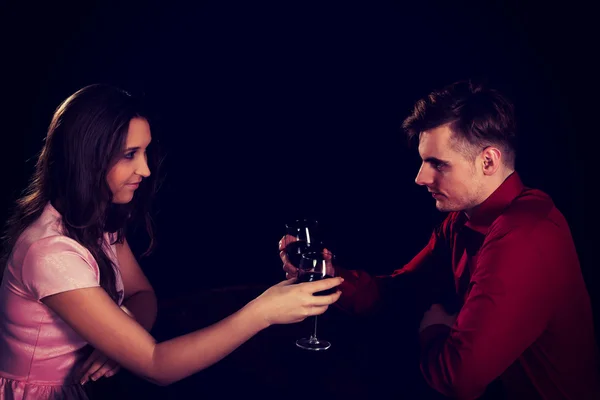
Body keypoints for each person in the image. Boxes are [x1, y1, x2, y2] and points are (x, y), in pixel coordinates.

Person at [0, 84, 343, 400]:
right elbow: (156, 366)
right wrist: (264, 311)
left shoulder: (94, 221)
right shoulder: (50, 253)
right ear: (86, 158)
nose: (146, 170)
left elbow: (143, 295)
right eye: (129, 154)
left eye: (145, 152)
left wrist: (118, 339)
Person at [280, 80, 600, 399]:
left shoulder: (525, 236)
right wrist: (333, 278)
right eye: (423, 161)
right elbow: (401, 291)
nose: (420, 177)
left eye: (438, 164)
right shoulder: (460, 222)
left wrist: (433, 329)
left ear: (488, 161)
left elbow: (457, 379)